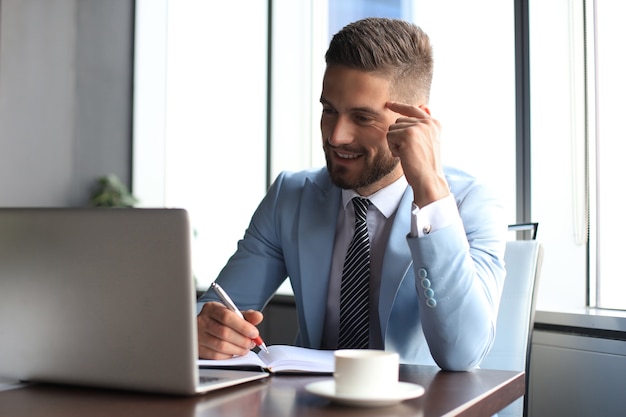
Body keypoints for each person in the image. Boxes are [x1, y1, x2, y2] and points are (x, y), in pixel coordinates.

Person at [196, 17, 507, 371]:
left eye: (362, 118)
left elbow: (463, 354)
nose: (336, 136)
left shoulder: (470, 206)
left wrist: (431, 194)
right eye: (329, 110)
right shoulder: (291, 196)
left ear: (415, 123)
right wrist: (206, 332)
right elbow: (215, 309)